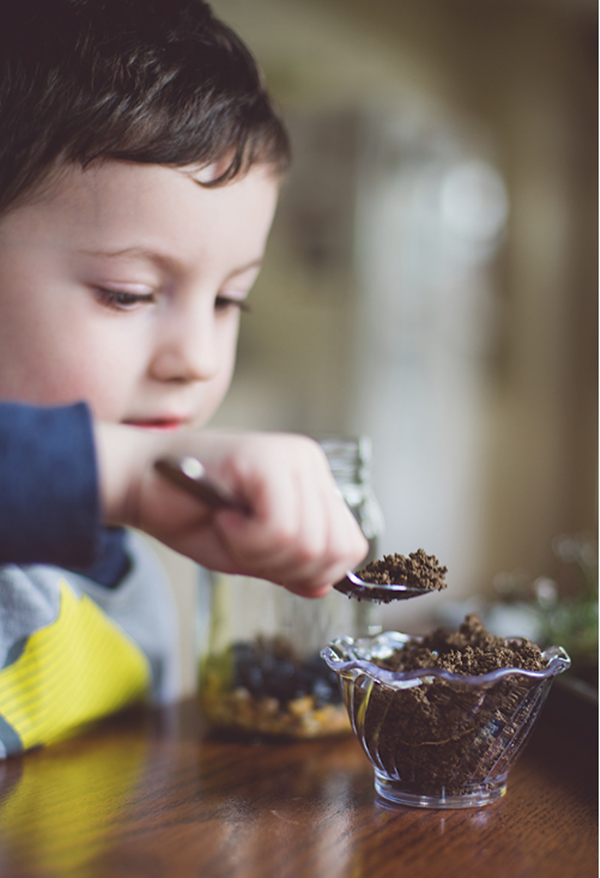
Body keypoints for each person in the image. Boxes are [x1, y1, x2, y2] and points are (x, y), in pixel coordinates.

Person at [0, 0, 368, 757]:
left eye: (230, 299)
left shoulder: (133, 578)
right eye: (127, 293)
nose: (197, 359)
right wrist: (128, 476)